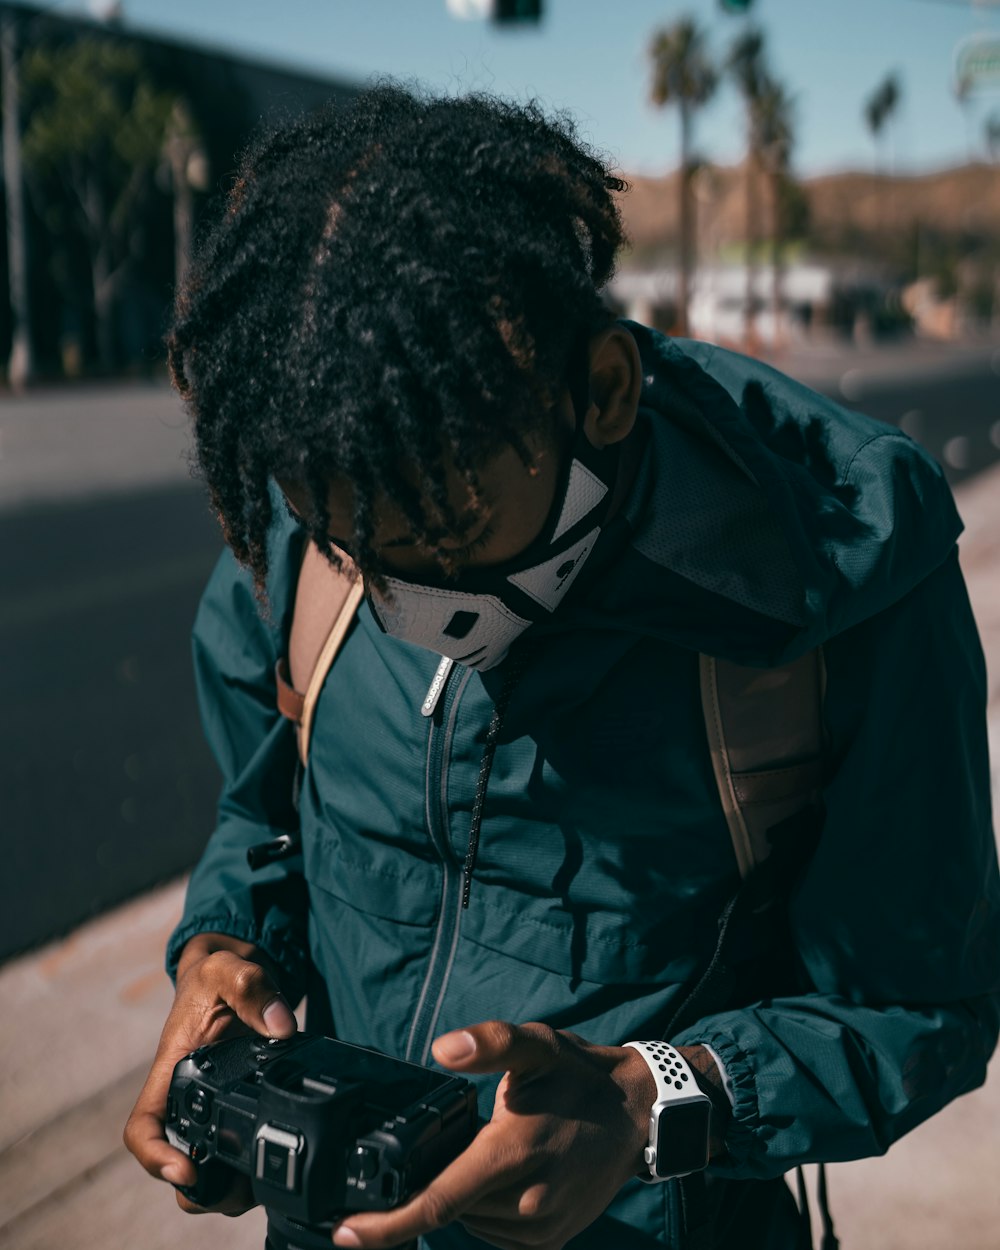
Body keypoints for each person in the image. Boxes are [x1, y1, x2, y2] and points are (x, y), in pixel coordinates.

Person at [124, 84, 1000, 1250]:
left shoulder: (832, 587)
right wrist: (225, 951)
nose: (395, 595)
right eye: (352, 545)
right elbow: (264, 812)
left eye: (445, 536)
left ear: (600, 390)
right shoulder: (319, 505)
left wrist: (650, 1101)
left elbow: (914, 1007)